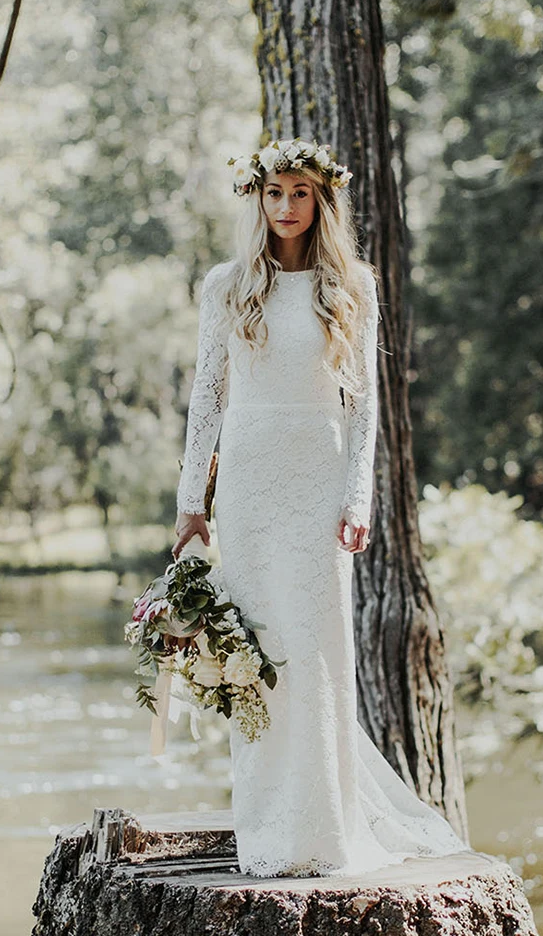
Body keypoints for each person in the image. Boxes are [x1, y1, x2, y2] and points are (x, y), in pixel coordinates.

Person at [170, 137, 471, 878]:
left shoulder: (353, 286)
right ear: (257, 199)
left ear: (321, 199)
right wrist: (190, 504)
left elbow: (363, 403)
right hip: (246, 477)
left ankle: (324, 828)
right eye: (273, 193)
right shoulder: (226, 286)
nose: (285, 207)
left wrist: (357, 492)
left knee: (315, 648)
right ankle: (267, 830)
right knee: (256, 655)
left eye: (299, 193)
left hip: (316, 474)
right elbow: (207, 398)